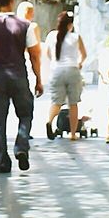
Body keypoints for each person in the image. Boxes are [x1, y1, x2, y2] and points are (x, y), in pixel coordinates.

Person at [0, 0, 43, 173]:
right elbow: (34, 55)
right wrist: (38, 78)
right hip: (18, 76)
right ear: (12, 1)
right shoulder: (25, 25)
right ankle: (21, 145)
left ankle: (2, 161)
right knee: (25, 114)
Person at [44, 11, 87, 142]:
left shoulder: (52, 35)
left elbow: (48, 53)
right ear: (70, 25)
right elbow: (84, 55)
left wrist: (54, 63)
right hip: (72, 70)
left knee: (56, 102)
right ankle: (73, 134)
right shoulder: (75, 37)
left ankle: (49, 121)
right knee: (73, 104)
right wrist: (79, 64)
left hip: (57, 71)